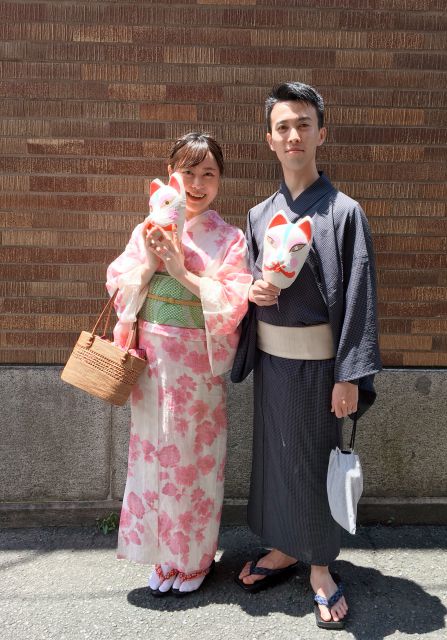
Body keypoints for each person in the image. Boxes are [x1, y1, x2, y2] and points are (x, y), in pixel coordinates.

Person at [231, 82, 381, 629]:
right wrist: (253, 290)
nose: (293, 135)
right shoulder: (258, 214)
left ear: (322, 134)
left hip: (321, 368)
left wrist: (349, 374)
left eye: (303, 125)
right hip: (272, 360)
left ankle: (319, 566)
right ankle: (284, 546)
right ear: (269, 139)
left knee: (315, 460)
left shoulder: (344, 213)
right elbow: (248, 280)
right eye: (283, 127)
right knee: (275, 456)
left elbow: (360, 295)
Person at [106, 133, 252, 595]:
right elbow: (118, 284)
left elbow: (234, 301)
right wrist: (149, 264)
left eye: (209, 174)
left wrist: (181, 273)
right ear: (171, 176)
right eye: (188, 172)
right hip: (152, 361)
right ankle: (162, 556)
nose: (197, 183)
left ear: (220, 181)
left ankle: (193, 560)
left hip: (196, 367)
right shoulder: (147, 229)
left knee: (193, 461)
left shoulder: (230, 239)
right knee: (151, 456)